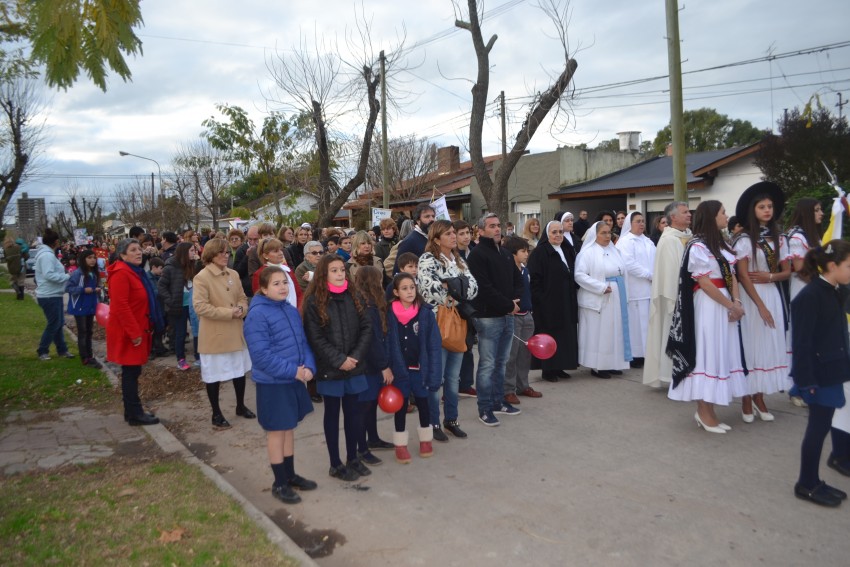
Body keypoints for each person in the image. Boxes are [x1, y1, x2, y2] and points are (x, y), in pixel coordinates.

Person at [666, 201, 746, 433]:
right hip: (709, 305)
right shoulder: (697, 246)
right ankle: (703, 411)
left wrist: (737, 303)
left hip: (725, 303)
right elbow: (704, 282)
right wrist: (730, 305)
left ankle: (710, 410)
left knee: (720, 352)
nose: (726, 215)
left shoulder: (722, 245)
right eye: (723, 212)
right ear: (712, 217)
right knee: (708, 353)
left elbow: (733, 277)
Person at [244, 266, 317, 505]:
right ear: (263, 289)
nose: (283, 287)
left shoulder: (290, 309)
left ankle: (290, 474)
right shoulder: (257, 315)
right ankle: (279, 483)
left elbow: (302, 342)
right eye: (276, 284)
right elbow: (261, 355)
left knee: (288, 428)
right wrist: (293, 371)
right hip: (274, 383)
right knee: (277, 431)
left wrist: (308, 366)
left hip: (294, 379)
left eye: (284, 282)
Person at [790, 240, 850, 507]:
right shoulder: (810, 296)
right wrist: (806, 381)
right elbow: (801, 344)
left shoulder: (837, 289)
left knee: (823, 425)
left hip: (833, 369)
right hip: (818, 375)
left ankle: (812, 480)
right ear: (832, 266)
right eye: (849, 265)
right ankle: (807, 483)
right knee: (817, 428)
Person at [302, 253, 372, 481]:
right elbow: (316, 338)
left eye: (342, 270)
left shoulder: (355, 295)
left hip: (354, 366)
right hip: (331, 369)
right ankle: (335, 463)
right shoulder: (314, 301)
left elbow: (366, 328)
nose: (340, 274)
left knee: (354, 414)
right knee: (332, 415)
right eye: (334, 270)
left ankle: (353, 457)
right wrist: (339, 359)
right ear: (324, 273)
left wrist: (354, 357)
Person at [734, 182, 792, 422]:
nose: (767, 210)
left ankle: (760, 396)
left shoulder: (779, 238)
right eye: (762, 207)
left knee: (768, 344)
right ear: (752, 210)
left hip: (772, 293)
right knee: (752, 344)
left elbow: (787, 271)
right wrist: (759, 305)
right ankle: (747, 397)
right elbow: (743, 275)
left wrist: (771, 276)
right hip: (752, 298)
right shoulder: (745, 239)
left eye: (770, 206)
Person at [417, 220, 479, 440]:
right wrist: (455, 287)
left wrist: (451, 286)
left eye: (455, 233)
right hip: (436, 325)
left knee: (453, 378)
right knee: (436, 378)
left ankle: (451, 419)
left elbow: (473, 288)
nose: (454, 236)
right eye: (449, 233)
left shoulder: (459, 259)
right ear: (436, 239)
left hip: (458, 324)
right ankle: (433, 423)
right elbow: (430, 289)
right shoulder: (428, 259)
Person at [467, 213, 523, 426]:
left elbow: (517, 279)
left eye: (499, 225)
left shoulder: (506, 253)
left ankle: (499, 402)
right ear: (480, 231)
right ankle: (485, 407)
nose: (497, 229)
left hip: (508, 315)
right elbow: (483, 289)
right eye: (492, 226)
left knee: (502, 362)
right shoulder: (477, 255)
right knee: (488, 364)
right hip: (488, 317)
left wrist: (515, 300)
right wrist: (509, 304)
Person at [193, 238, 255, 429]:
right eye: (220, 252)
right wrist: (229, 313)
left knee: (239, 371)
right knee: (213, 375)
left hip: (235, 331)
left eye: (227, 252)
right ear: (210, 255)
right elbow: (200, 307)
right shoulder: (202, 277)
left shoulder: (234, 274)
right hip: (215, 335)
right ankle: (216, 413)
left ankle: (240, 405)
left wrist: (242, 309)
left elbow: (242, 297)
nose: (225, 255)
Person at [106, 238, 163, 425]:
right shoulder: (121, 273)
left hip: (139, 329)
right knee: (131, 372)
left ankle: (131, 411)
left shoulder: (136, 272)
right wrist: (134, 333)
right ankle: (135, 413)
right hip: (130, 333)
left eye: (139, 249)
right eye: (133, 250)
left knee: (133, 371)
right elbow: (120, 305)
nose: (139, 252)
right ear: (123, 255)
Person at [386, 272, 442, 463]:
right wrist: (387, 367)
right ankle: (400, 444)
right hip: (399, 370)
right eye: (404, 288)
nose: (409, 291)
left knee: (423, 402)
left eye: (412, 287)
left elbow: (434, 344)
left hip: (420, 369)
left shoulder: (425, 313)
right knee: (400, 406)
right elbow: (386, 343)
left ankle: (425, 440)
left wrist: (434, 371)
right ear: (396, 292)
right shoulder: (389, 314)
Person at [643, 202, 692, 388]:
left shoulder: (688, 236)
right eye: (685, 212)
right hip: (674, 298)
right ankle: (671, 375)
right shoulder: (669, 240)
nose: (689, 215)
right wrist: (680, 297)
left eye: (689, 212)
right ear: (673, 217)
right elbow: (671, 273)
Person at [575, 221, 631, 378]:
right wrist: (599, 287)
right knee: (601, 332)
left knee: (615, 331)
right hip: (599, 297)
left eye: (609, 233)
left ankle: (612, 362)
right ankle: (599, 366)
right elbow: (579, 275)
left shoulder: (614, 250)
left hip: (617, 295)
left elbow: (622, 272)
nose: (607, 236)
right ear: (595, 235)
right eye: (603, 233)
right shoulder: (587, 253)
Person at [353, 266, 396, 464]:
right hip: (368, 367)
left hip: (369, 366)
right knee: (363, 408)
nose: (382, 283)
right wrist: (383, 365)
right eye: (379, 280)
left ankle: (374, 438)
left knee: (370, 407)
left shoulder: (366, 303)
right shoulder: (368, 308)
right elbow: (372, 341)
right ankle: (361, 448)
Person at [528, 220, 579, 383]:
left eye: (560, 232)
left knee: (565, 334)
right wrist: (541, 299)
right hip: (548, 302)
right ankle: (548, 369)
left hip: (566, 299)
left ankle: (560, 366)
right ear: (547, 234)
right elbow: (534, 280)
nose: (558, 235)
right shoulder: (539, 253)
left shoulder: (567, 249)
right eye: (554, 232)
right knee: (549, 333)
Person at [616, 212, 656, 368]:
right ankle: (636, 355)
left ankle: (647, 353)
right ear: (630, 224)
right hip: (635, 289)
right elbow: (628, 263)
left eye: (643, 221)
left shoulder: (648, 241)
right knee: (636, 325)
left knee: (647, 324)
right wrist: (647, 274)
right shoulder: (625, 242)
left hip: (649, 288)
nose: (641, 224)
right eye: (638, 221)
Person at [504, 236, 541, 399]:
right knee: (511, 355)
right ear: (513, 253)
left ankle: (523, 385)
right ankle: (508, 389)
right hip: (513, 317)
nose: (526, 254)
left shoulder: (525, 269)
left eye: (527, 251)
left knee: (525, 354)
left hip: (527, 315)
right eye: (523, 251)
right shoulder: (507, 271)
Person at [158, 242, 201, 371]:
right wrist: (170, 301)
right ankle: (181, 359)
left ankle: (198, 356)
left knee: (197, 330)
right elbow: (161, 286)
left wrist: (199, 263)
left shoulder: (193, 265)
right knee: (181, 333)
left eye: (194, 250)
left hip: (193, 304)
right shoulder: (170, 267)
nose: (194, 253)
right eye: (192, 251)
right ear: (184, 252)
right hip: (179, 305)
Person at [34, 229, 73, 361]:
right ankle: (43, 350)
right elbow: (48, 274)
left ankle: (62, 350)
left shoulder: (48, 254)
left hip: (53, 294)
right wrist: (66, 276)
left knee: (58, 323)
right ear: (56, 242)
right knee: (54, 324)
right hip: (48, 295)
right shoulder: (47, 256)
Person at [66, 249, 102, 369]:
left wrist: (97, 289)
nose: (92, 260)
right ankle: (85, 358)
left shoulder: (94, 273)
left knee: (89, 332)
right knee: (83, 332)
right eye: (89, 258)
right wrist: (83, 290)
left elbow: (96, 286)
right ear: (83, 259)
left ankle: (90, 355)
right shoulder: (78, 273)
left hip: (90, 306)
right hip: (80, 307)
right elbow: (69, 288)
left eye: (94, 258)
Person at [454, 220, 477, 398]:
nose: (466, 236)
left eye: (468, 232)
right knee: (454, 346)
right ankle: (451, 386)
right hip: (457, 307)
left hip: (473, 306)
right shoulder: (453, 256)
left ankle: (466, 383)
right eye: (461, 233)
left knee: (468, 346)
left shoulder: (475, 251)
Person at [251, 238, 299, 307]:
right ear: (265, 256)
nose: (281, 253)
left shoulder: (288, 270)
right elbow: (260, 299)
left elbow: (299, 294)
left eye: (281, 250)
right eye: (276, 251)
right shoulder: (259, 274)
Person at [393, 202, 436, 273]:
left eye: (433, 216)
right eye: (427, 216)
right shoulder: (409, 241)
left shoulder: (433, 238)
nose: (432, 219)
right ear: (418, 220)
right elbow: (398, 271)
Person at [234, 224, 260, 297]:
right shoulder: (241, 250)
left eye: (255, 239)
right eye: (250, 239)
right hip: (248, 291)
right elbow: (237, 272)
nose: (252, 242)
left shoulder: (264, 249)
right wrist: (247, 256)